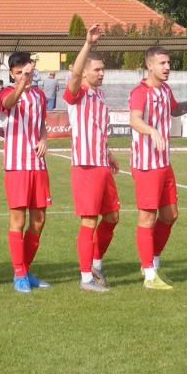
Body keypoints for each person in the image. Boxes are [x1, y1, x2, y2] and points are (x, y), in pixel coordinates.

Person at [129, 46, 187, 291]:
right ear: (149, 65)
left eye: (169, 62)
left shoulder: (165, 90)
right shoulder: (140, 92)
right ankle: (149, 276)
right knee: (147, 217)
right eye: (162, 63)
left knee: (170, 215)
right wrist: (151, 130)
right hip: (146, 165)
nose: (167, 67)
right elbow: (134, 119)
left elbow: (175, 110)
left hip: (164, 164)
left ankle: (152, 264)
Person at [64, 24, 120, 292]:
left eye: (102, 69)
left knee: (112, 217)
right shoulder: (77, 92)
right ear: (84, 71)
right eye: (96, 69)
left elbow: (98, 129)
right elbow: (74, 76)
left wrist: (108, 155)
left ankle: (95, 263)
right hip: (86, 165)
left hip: (101, 163)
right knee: (89, 220)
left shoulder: (100, 94)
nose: (101, 73)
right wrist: (87, 44)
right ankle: (86, 278)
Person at [0, 52, 52, 293]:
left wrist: (43, 138)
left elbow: (41, 122)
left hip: (38, 165)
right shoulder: (6, 92)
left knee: (39, 220)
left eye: (27, 71)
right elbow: (8, 105)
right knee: (18, 220)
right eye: (19, 73)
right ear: (12, 74)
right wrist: (21, 83)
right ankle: (18, 274)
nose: (25, 76)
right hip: (17, 166)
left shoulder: (39, 95)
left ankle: (26, 270)